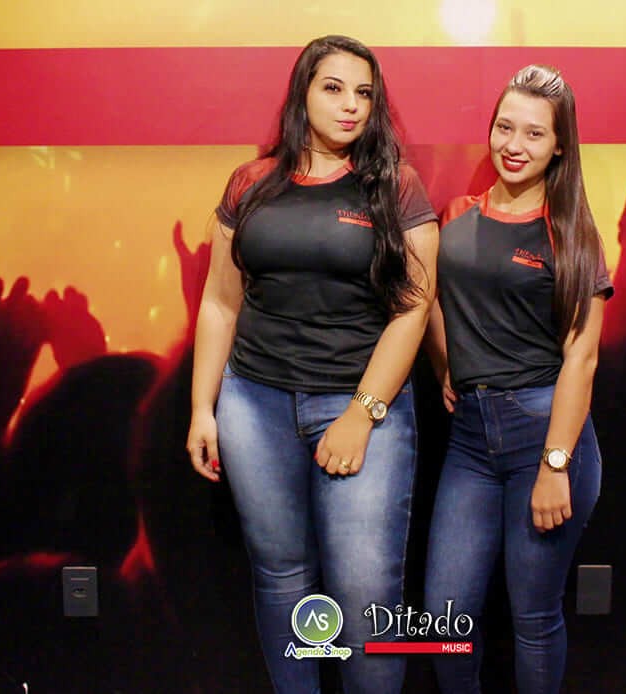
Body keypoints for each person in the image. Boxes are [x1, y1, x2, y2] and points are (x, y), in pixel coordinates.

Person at [186, 35, 439, 694]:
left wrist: (361, 415)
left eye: (364, 93)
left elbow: (413, 310)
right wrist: (203, 408)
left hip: (360, 406)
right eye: (333, 88)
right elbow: (219, 302)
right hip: (254, 403)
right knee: (281, 578)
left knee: (365, 593)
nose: (351, 105)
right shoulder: (250, 182)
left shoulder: (395, 186)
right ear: (303, 93)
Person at [423, 64, 612, 694]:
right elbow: (432, 302)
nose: (514, 144)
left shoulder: (573, 235)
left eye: (534, 134)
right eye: (505, 127)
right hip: (471, 442)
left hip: (545, 435)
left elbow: (582, 358)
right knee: (445, 620)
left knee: (534, 617)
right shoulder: (456, 217)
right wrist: (448, 366)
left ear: (559, 146)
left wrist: (556, 464)